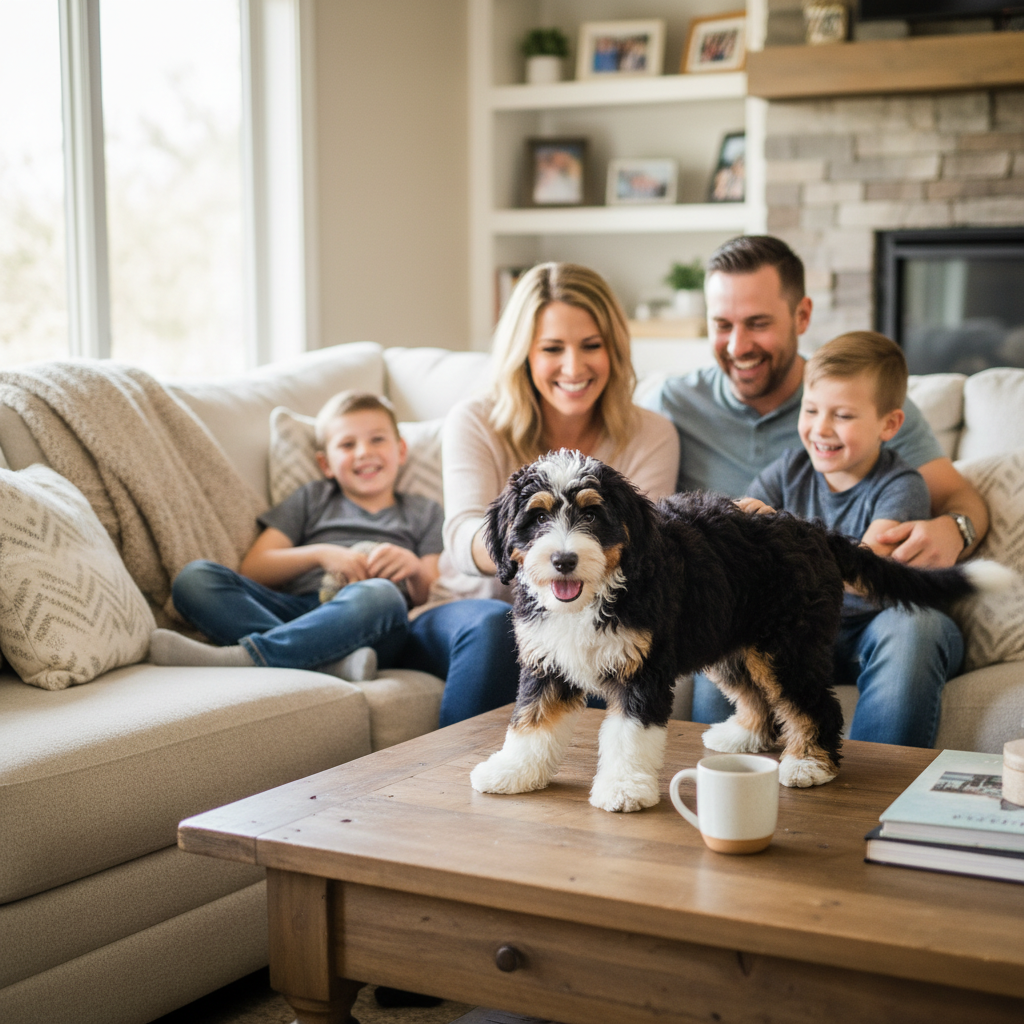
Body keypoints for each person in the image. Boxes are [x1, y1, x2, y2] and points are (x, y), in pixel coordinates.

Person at [642, 235, 989, 743]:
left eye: (758, 323)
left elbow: (962, 502)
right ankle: (723, 784)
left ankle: (871, 803)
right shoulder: (673, 404)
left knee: (918, 628)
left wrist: (955, 528)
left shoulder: (867, 398)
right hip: (770, 611)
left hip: (871, 619)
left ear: (801, 316)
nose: (738, 345)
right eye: (723, 325)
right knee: (722, 622)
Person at [418, 261, 680, 718]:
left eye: (591, 346)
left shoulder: (652, 433)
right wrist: (540, 557)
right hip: (468, 605)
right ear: (524, 353)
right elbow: (460, 534)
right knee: (494, 631)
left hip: (593, 612)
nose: (573, 367)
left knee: (605, 647)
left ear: (614, 349)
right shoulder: (475, 420)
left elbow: (642, 552)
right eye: (552, 348)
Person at [737, 331, 942, 747]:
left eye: (843, 416)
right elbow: (741, 524)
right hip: (797, 626)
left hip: (869, 626)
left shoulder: (902, 486)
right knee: (731, 629)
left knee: (914, 628)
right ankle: (729, 769)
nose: (820, 428)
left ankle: (877, 783)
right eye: (811, 410)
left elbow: (859, 574)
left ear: (890, 424)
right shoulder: (790, 467)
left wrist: (776, 531)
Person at [149, 391, 441, 679]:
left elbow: (431, 593)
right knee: (194, 578)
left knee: (381, 594)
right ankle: (331, 666)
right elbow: (255, 568)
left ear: (401, 450)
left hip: (368, 623)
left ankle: (247, 657)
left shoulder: (424, 511)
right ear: (325, 464)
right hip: (299, 611)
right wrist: (320, 554)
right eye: (347, 444)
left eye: (377, 439)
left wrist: (413, 568)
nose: (364, 452)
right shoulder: (312, 498)